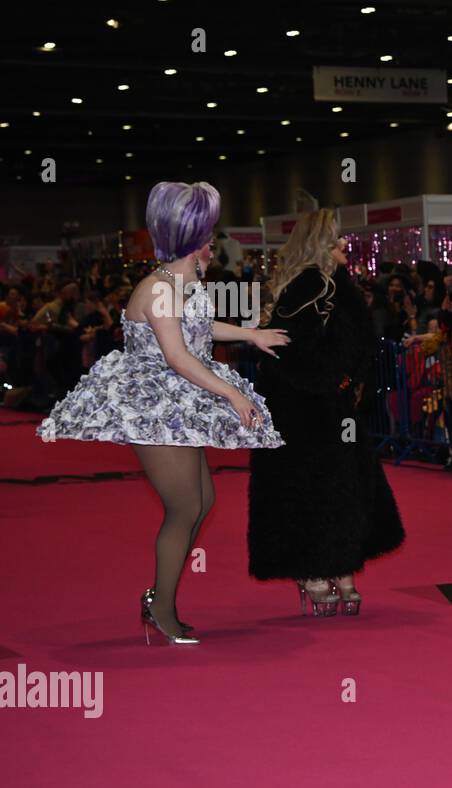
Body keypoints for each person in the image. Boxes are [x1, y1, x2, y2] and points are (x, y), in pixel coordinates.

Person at [37, 181, 286, 644]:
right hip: (154, 404)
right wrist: (233, 396)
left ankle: (159, 599)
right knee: (185, 505)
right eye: (209, 235)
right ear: (193, 240)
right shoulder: (158, 288)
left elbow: (199, 326)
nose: (214, 245)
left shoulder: (177, 283)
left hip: (177, 400)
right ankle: (161, 606)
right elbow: (178, 356)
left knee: (202, 502)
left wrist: (252, 334)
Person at [247, 210, 406, 615]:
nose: (343, 248)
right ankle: (317, 569)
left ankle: (339, 565)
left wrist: (346, 384)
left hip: (331, 405)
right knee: (315, 487)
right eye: (335, 241)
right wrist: (329, 382)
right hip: (303, 408)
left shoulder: (333, 286)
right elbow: (287, 346)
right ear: (320, 245)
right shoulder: (313, 285)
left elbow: (354, 346)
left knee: (341, 486)